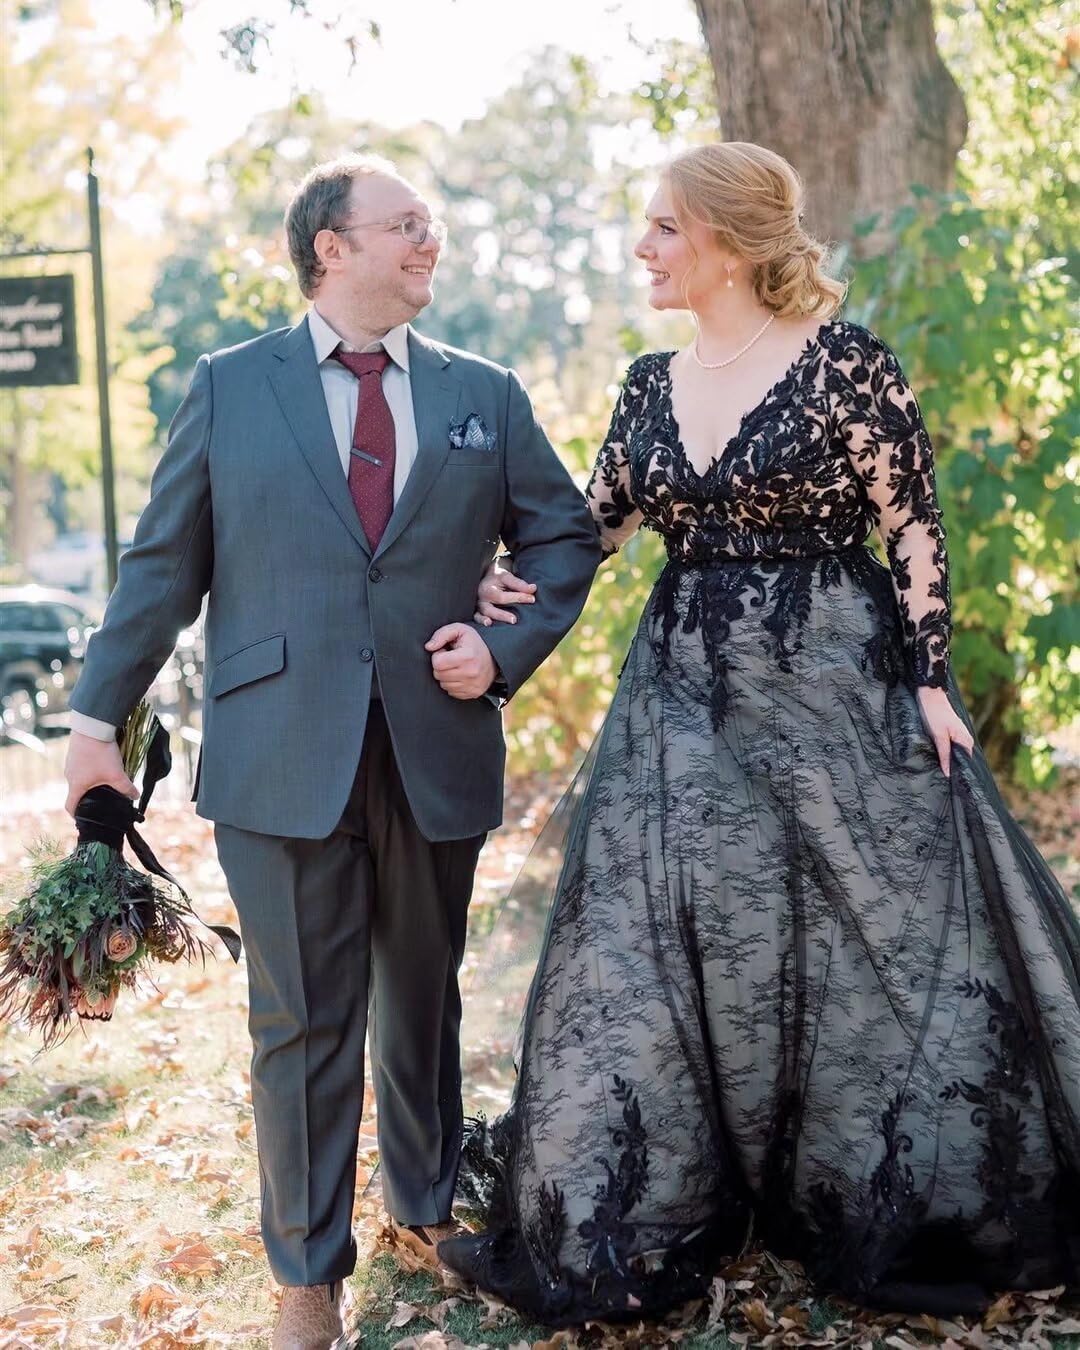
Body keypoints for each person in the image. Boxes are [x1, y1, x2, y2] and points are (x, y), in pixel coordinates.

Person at [440, 142, 1080, 1324]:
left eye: (663, 227)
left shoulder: (846, 365)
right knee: (656, 937)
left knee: (864, 940)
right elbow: (591, 530)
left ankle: (873, 1191)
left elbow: (913, 526)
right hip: (681, 702)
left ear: (728, 242)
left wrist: (932, 680)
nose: (643, 247)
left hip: (837, 691)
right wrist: (501, 582)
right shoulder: (648, 383)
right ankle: (641, 1205)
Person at [63, 153, 600, 1349]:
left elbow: (564, 537)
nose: (429, 241)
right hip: (278, 751)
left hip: (434, 743)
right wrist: (96, 725)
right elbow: (161, 568)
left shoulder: (485, 393)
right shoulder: (230, 386)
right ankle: (307, 1273)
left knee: (422, 997)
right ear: (332, 248)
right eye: (406, 224)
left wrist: (501, 648)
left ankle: (424, 1207)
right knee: (301, 1018)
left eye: (432, 223)